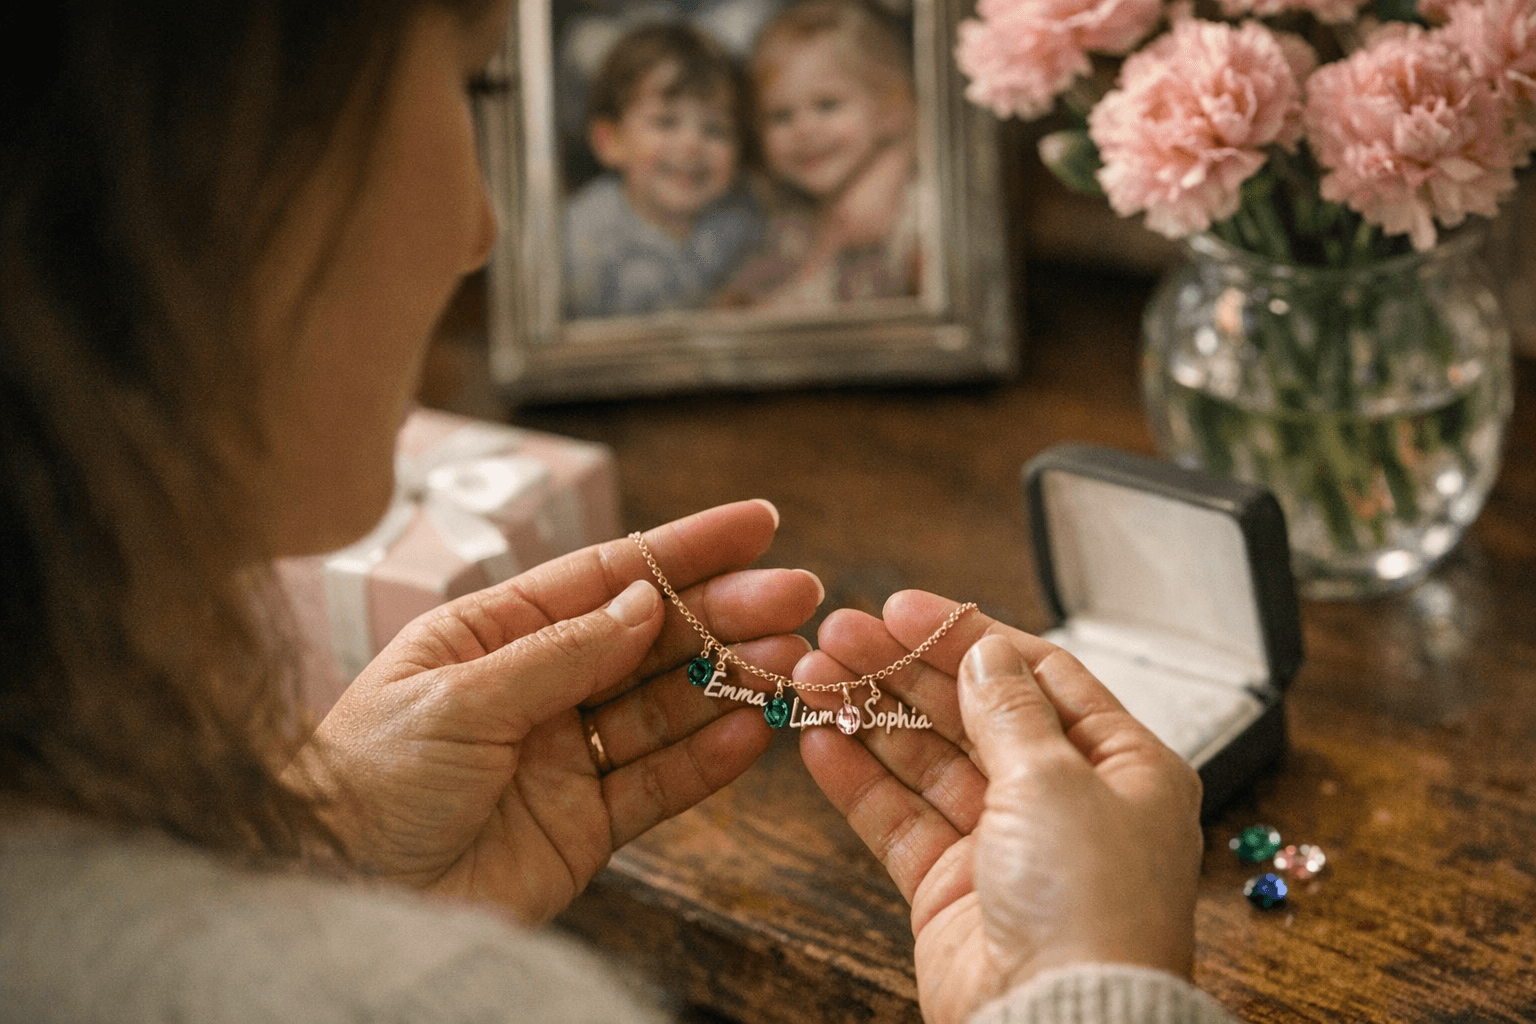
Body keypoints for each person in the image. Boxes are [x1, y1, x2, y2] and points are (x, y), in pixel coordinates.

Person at [0, 1, 1238, 1022]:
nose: (487, 231)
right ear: (200, 176)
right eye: (474, 87)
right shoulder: (445, 1002)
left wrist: (311, 857)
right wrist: (1097, 982)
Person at [721, 0, 923, 308]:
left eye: (828, 105)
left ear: (891, 107)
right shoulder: (788, 225)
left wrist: (896, 159)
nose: (803, 130)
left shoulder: (913, 211)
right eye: (780, 116)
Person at [563, 21, 763, 318]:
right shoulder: (579, 238)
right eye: (666, 122)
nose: (692, 144)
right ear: (611, 142)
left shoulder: (745, 220)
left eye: (716, 130)